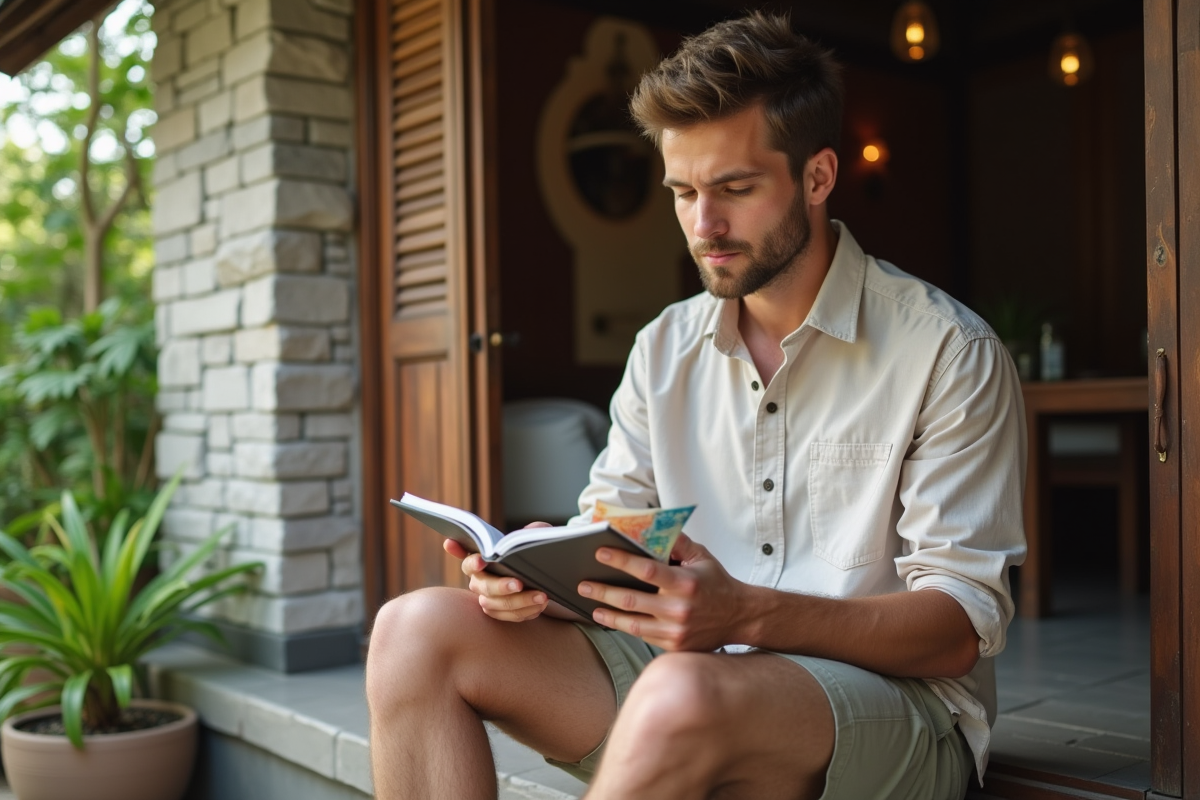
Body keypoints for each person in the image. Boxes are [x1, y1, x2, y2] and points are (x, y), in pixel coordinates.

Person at [365, 11, 1026, 800]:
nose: (703, 226)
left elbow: (956, 631)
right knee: (412, 632)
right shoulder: (663, 348)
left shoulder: (948, 350)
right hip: (689, 675)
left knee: (679, 696)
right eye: (683, 192)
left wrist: (743, 616)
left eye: (735, 189)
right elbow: (621, 543)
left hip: (894, 707)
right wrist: (544, 574)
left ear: (817, 178)